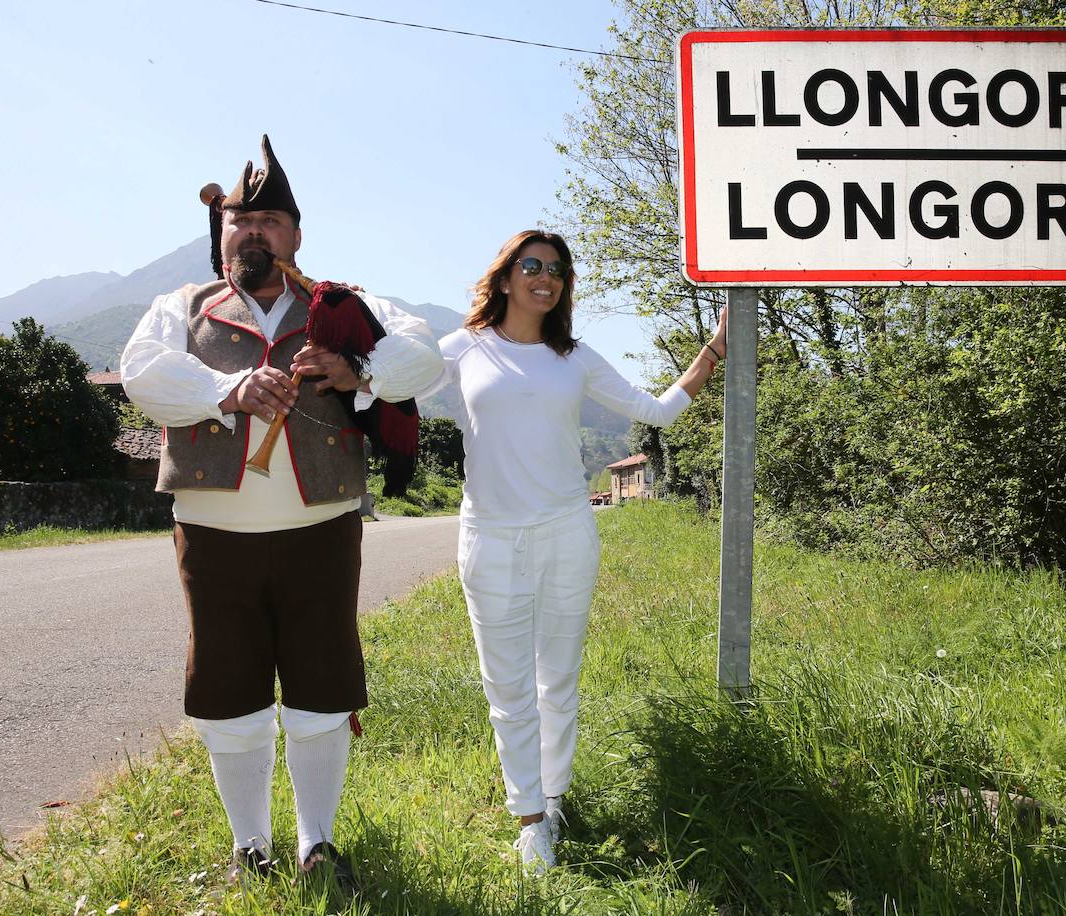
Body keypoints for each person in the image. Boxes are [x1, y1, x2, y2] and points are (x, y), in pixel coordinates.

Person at [120, 136, 442, 889]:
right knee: (228, 692)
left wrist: (356, 366)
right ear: (222, 235)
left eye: (269, 220)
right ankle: (249, 846)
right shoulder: (182, 308)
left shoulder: (346, 305)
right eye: (241, 221)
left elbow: (426, 355)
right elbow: (141, 373)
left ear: (296, 235)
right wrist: (222, 391)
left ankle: (317, 843)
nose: (253, 233)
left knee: (322, 687)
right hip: (213, 536)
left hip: (319, 533)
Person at [424, 229, 727, 873]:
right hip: (490, 536)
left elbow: (659, 410)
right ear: (504, 277)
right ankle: (528, 815)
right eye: (531, 265)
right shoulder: (460, 348)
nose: (546, 276)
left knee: (556, 679)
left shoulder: (575, 357)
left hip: (566, 531)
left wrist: (714, 349)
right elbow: (384, 385)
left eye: (557, 269)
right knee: (506, 685)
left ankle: (552, 800)